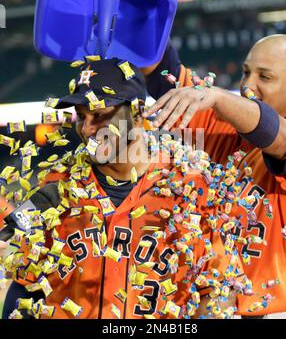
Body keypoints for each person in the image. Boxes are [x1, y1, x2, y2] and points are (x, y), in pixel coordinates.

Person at [2, 58, 245, 319]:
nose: (87, 129)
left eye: (99, 115)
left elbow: (219, 292)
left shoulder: (191, 188)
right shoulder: (56, 188)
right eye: (82, 117)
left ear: (138, 113)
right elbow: (24, 288)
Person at [142, 34, 286, 316]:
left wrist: (216, 96)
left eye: (265, 77)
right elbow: (161, 75)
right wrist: (145, 12)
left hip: (275, 310)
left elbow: (282, 137)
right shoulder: (222, 128)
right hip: (206, 306)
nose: (248, 86)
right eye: (246, 72)